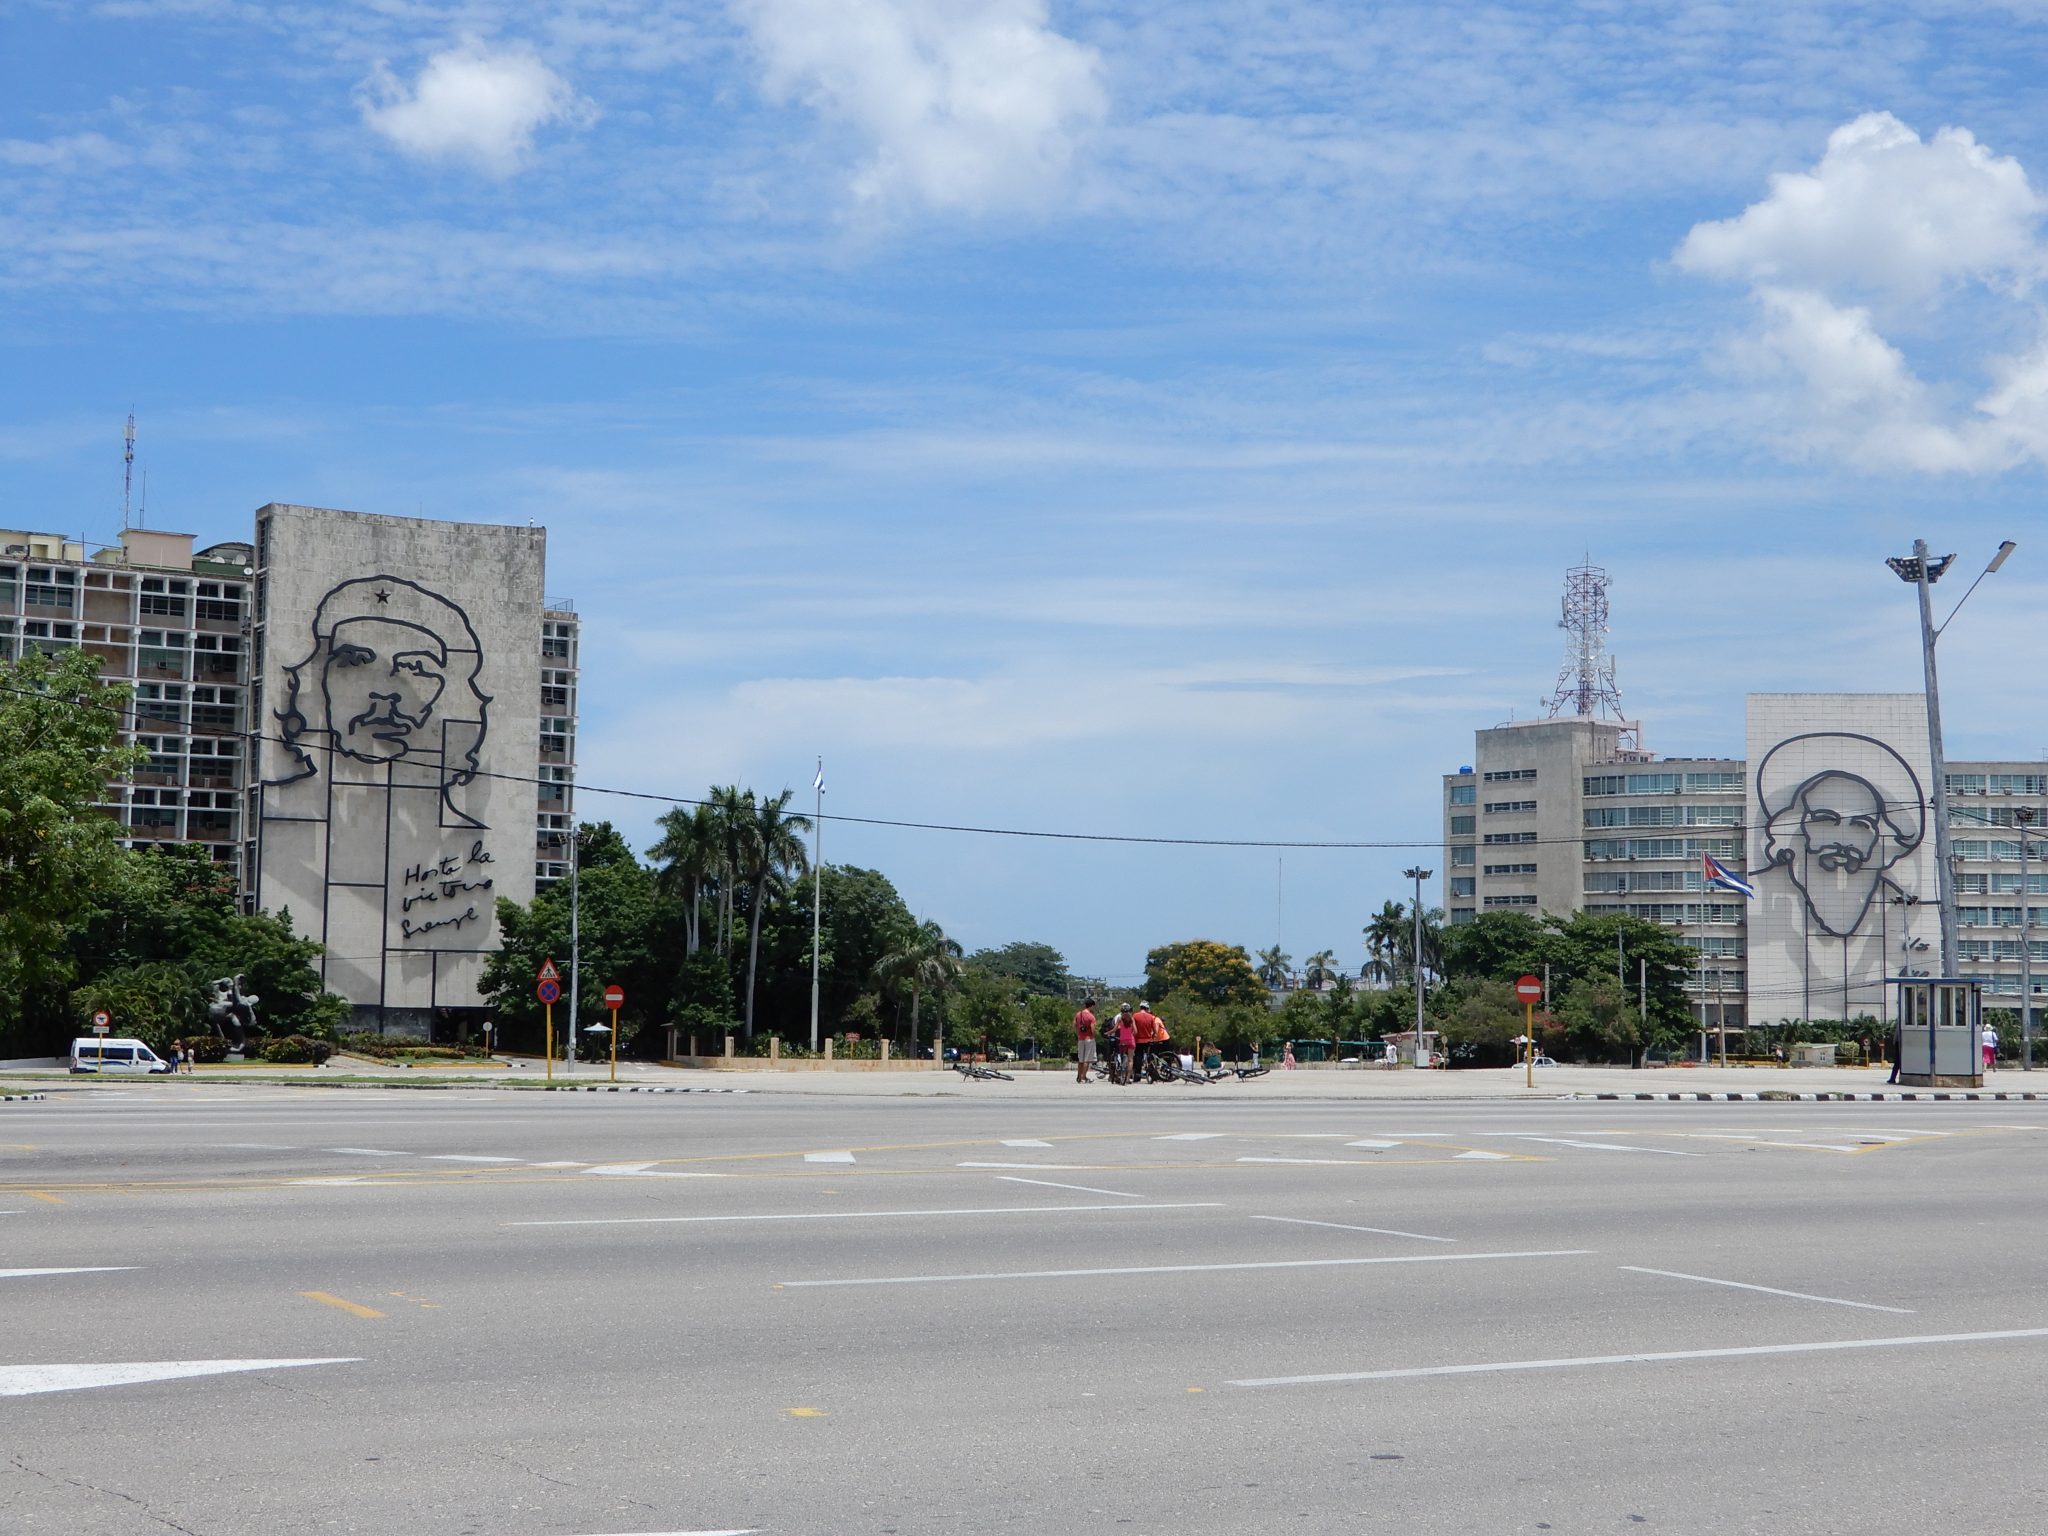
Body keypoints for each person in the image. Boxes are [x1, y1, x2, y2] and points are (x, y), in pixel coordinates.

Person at [1131, 1000, 1167, 1079]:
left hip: (1138, 1041)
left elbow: (1133, 1029)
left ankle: (1137, 1075)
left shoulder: (1135, 1016)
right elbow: (1154, 1031)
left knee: (1138, 1057)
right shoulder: (1151, 1017)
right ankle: (1151, 1073)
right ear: (1147, 1008)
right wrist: (1153, 1037)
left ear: (1140, 1007)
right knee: (1149, 1057)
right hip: (1148, 1041)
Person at [1073, 996, 1098, 1084]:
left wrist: (1079, 1033)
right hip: (1089, 1039)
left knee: (1080, 1059)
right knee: (1087, 1059)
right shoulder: (1091, 1016)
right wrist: (1094, 1036)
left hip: (1080, 1038)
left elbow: (1074, 1025)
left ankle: (1079, 1076)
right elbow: (1092, 1029)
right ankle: (1084, 1077)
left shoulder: (1078, 1014)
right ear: (1091, 1006)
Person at [1112, 1005, 1136, 1086]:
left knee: (1120, 1056)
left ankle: (1119, 1074)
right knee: (1130, 1060)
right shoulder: (1132, 1019)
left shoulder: (1119, 1019)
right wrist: (1131, 1035)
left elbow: (1115, 1029)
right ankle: (1128, 1078)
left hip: (1122, 1041)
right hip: (1130, 1041)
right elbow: (1136, 1031)